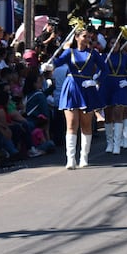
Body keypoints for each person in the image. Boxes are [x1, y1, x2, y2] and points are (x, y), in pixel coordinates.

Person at [53, 26, 108, 169]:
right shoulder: (69, 52)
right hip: (71, 87)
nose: (87, 39)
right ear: (76, 37)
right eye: (84, 36)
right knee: (71, 124)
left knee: (86, 124)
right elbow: (56, 62)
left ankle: (84, 156)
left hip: (87, 87)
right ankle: (70, 159)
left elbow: (105, 69)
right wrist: (47, 66)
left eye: (89, 37)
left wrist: (96, 80)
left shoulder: (94, 53)